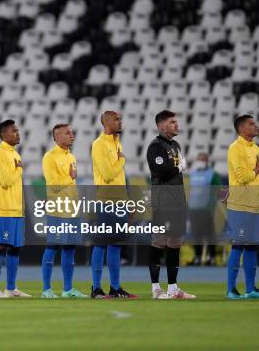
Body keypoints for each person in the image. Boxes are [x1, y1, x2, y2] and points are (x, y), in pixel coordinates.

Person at [146, 110, 196, 299]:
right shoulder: (155, 146)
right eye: (172, 122)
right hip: (163, 202)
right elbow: (161, 171)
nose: (177, 125)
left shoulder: (175, 145)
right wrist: (179, 167)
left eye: (177, 121)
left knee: (175, 243)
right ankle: (156, 288)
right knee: (159, 242)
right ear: (161, 125)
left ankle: (173, 289)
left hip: (177, 202)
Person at [90, 111, 136, 298]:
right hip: (107, 201)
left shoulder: (116, 142)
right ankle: (96, 288)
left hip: (120, 202)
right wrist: (122, 159)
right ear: (107, 122)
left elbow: (119, 177)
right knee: (101, 244)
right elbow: (108, 175)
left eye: (120, 119)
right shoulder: (99, 144)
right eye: (116, 119)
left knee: (116, 245)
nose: (120, 122)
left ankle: (115, 288)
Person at [225, 115, 259, 299]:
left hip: (253, 205)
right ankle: (231, 290)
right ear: (242, 128)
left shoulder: (256, 148)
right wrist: (258, 170)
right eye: (252, 124)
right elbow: (242, 177)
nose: (256, 126)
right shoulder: (235, 149)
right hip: (239, 205)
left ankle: (251, 289)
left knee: (251, 246)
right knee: (239, 245)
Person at [40, 124, 87, 298]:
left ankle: (68, 289)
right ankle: (47, 290)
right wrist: (69, 176)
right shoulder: (50, 157)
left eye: (72, 132)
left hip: (72, 209)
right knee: (53, 246)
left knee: (70, 248)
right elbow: (54, 186)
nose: (72, 135)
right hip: (57, 209)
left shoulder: (71, 157)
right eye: (68, 133)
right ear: (57, 137)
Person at [0, 119, 30, 298]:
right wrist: (19, 170)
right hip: (4, 208)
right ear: (4, 135)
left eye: (17, 130)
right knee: (0, 246)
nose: (17, 133)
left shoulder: (15, 154)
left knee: (15, 248)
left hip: (16, 209)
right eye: (14, 131)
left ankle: (11, 288)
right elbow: (5, 181)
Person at [188, 152, 222, 265]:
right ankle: (197, 257)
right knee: (196, 234)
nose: (200, 162)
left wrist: (212, 206)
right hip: (193, 208)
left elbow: (218, 192)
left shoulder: (213, 174)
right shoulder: (192, 174)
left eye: (202, 160)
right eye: (199, 159)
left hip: (207, 209)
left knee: (209, 234)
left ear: (207, 161)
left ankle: (211, 257)